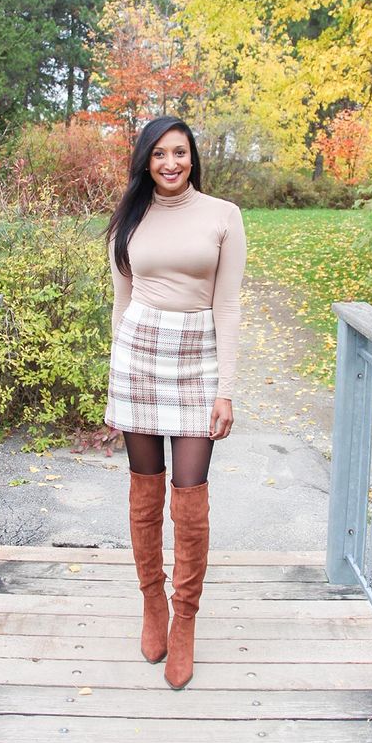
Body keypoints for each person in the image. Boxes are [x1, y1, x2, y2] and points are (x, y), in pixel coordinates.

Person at [103, 115, 247, 690]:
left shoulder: (223, 215)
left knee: (190, 495)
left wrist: (226, 389)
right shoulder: (129, 219)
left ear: (193, 157)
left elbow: (229, 306)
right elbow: (123, 300)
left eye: (179, 153)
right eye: (159, 154)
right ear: (145, 160)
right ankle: (152, 604)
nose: (169, 163)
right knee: (145, 489)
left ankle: (184, 619)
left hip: (198, 355)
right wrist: (114, 377)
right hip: (138, 353)